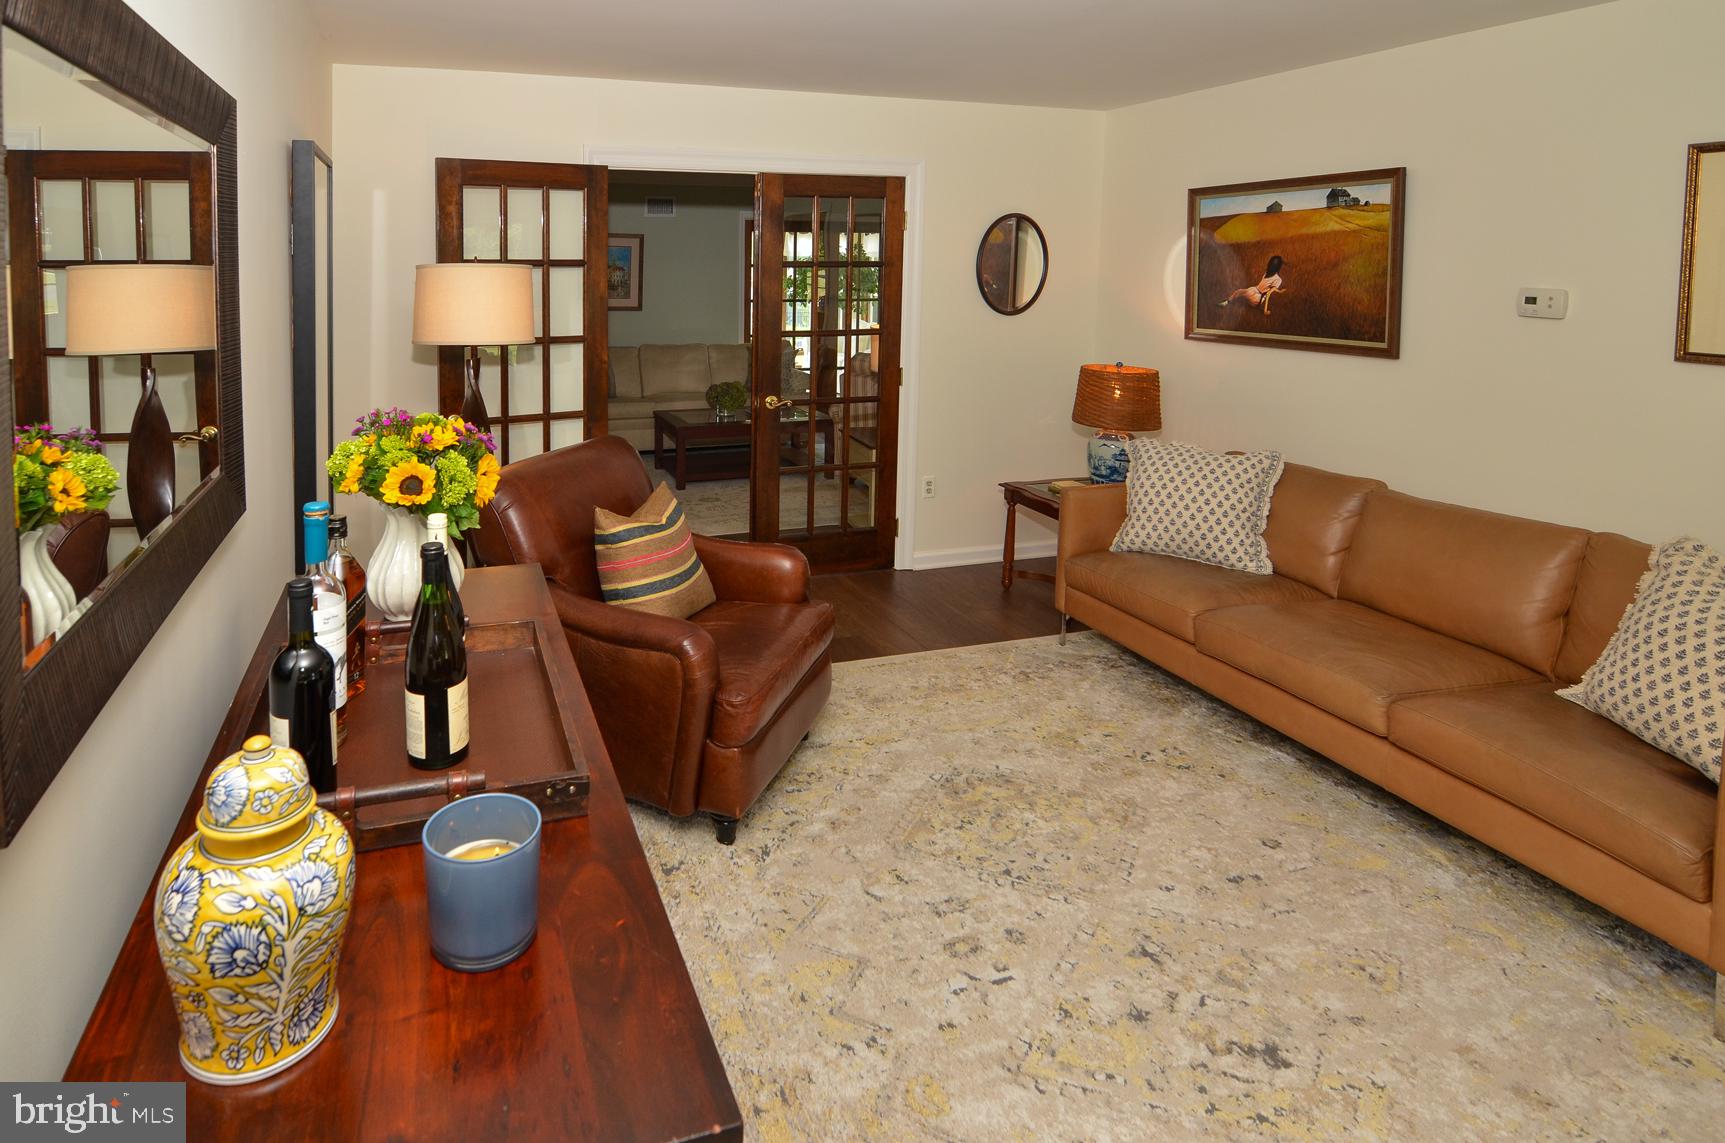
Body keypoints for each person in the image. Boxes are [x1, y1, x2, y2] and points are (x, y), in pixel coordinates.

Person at [1218, 255, 1287, 314]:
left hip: (1258, 297)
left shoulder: (1276, 278)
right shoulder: (1268, 274)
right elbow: (1271, 290)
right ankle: (1226, 302)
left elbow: (1268, 294)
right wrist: (1279, 291)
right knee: (1239, 292)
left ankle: (1227, 302)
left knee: (1240, 294)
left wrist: (1265, 310)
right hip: (1254, 290)